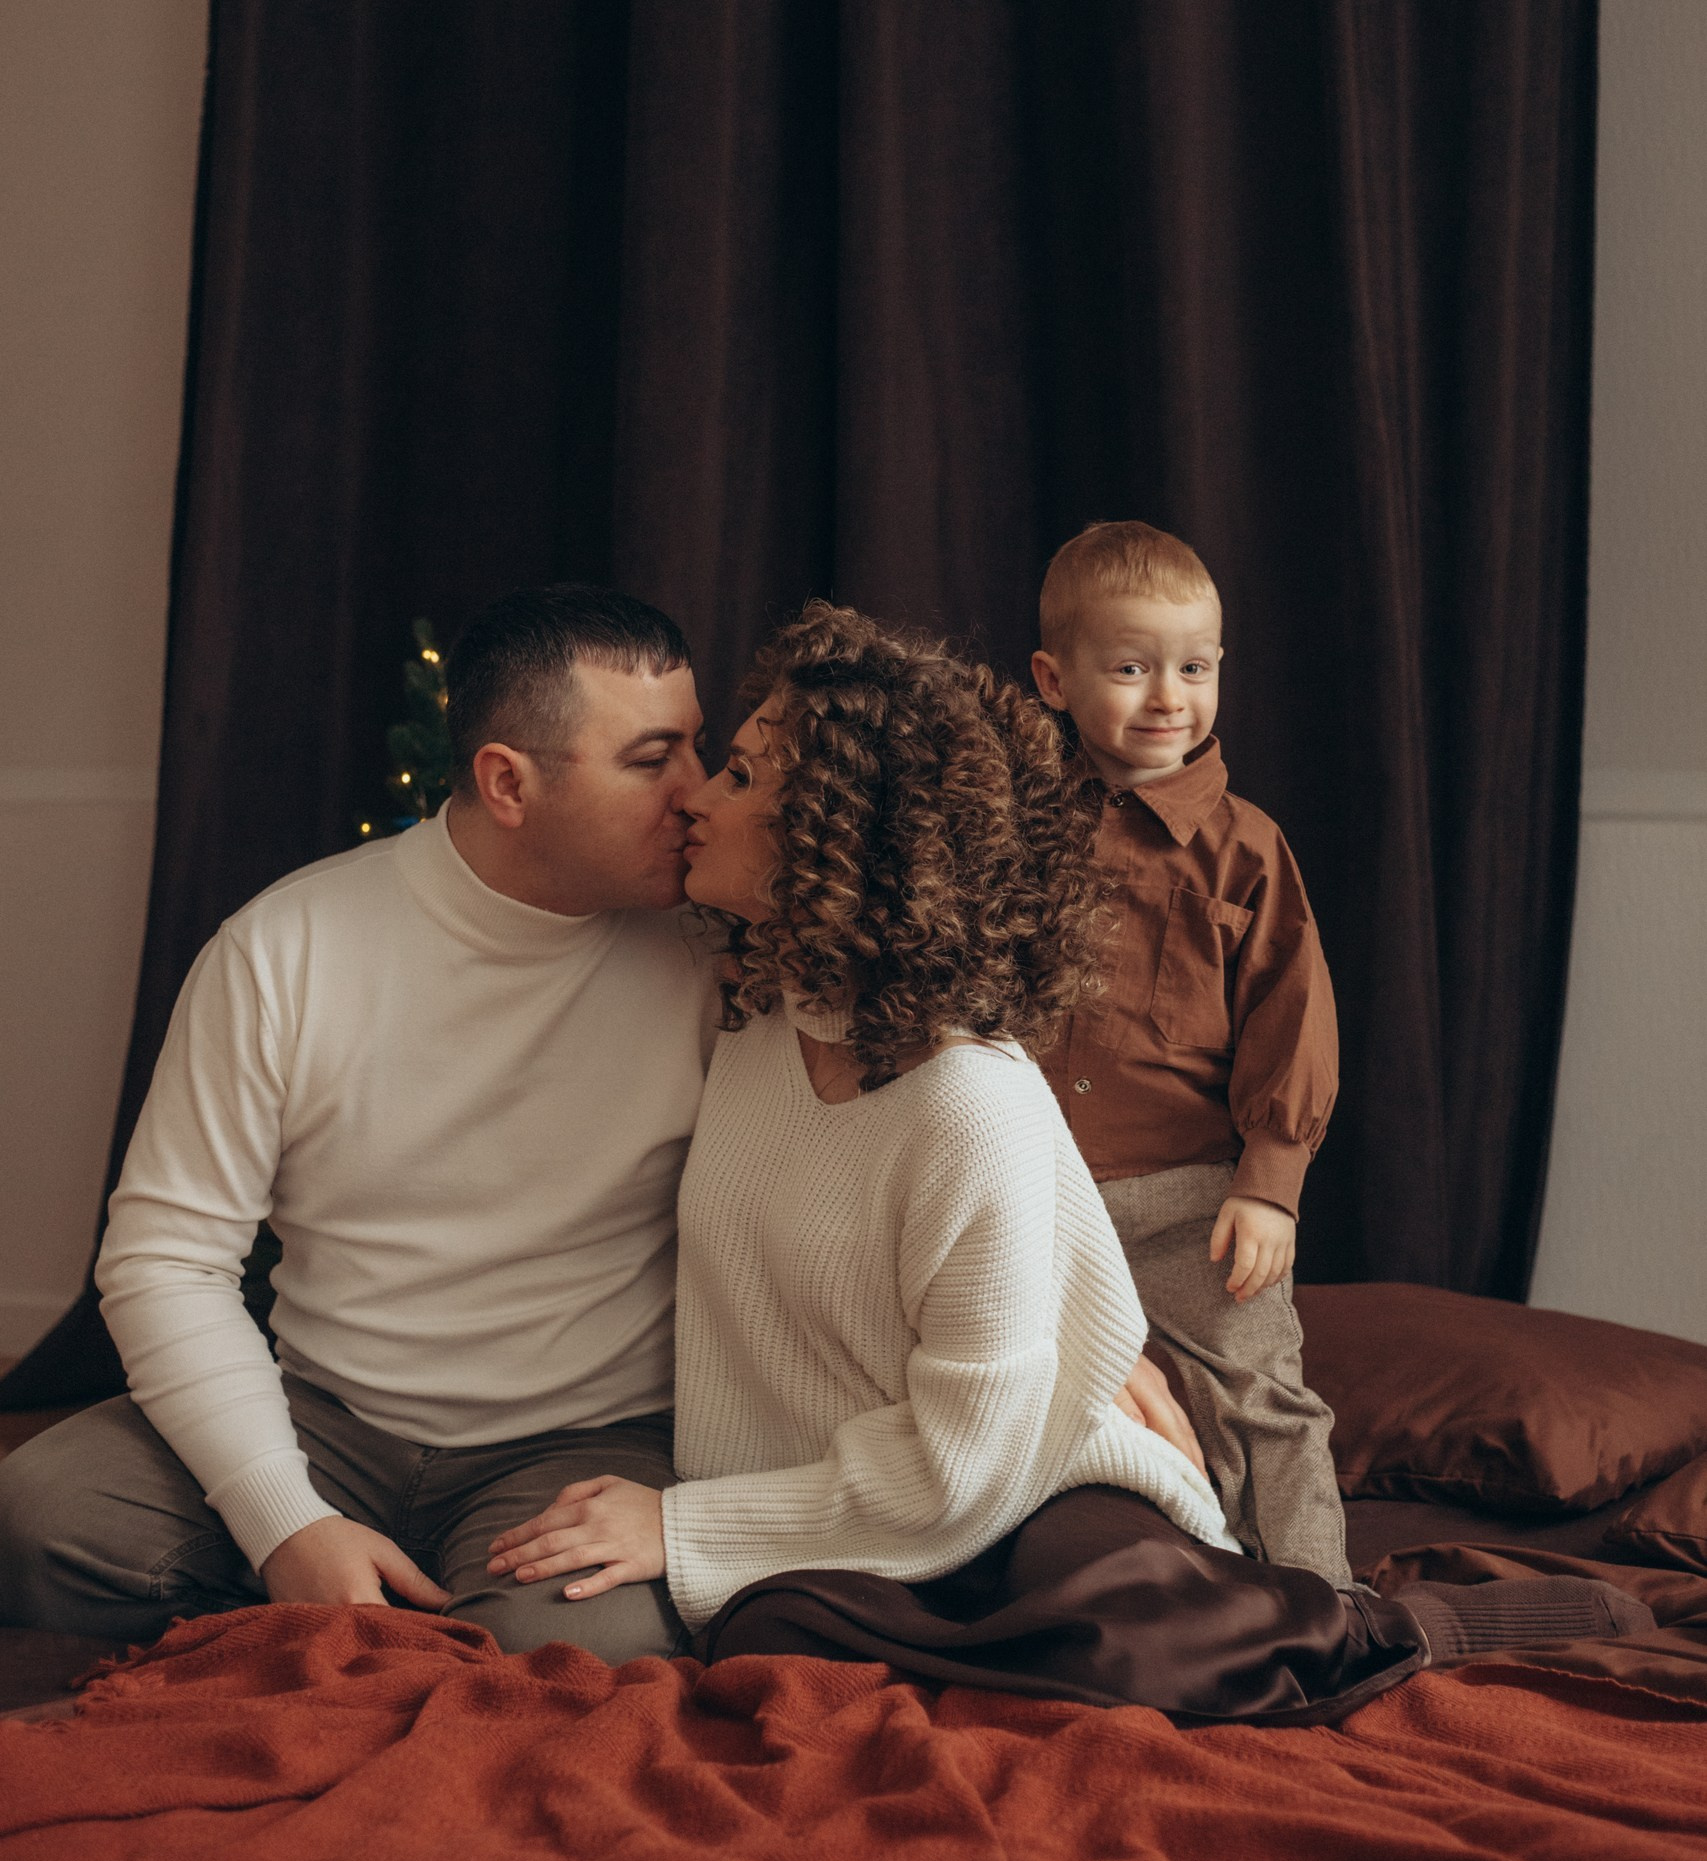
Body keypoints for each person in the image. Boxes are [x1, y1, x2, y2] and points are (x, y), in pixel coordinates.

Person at [483, 606, 1650, 1715]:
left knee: (1129, 1637)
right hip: (842, 1506)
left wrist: (682, 1529)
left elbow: (970, 1458)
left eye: (740, 776)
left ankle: (1399, 1626)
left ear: (838, 842)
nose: (695, 795)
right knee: (770, 1632)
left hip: (1026, 1480)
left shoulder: (966, 1099)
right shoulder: (751, 1018)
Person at [0, 586, 720, 1659]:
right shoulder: (283, 948)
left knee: (583, 1649)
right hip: (324, 1421)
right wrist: (285, 1520)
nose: (699, 794)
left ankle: (357, 1627)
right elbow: (165, 1260)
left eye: (698, 747)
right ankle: (347, 1593)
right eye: (653, 759)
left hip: (578, 1447)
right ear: (508, 783)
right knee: (40, 1515)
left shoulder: (714, 957)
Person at [1030, 519, 1353, 1586]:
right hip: (1025, 1195)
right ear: (1055, 679)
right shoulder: (1006, 830)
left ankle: (1321, 1599)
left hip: (1189, 1200)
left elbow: (1291, 1019)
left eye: (1195, 669)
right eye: (1131, 668)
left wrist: (1270, 1187)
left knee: (1258, 1400)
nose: (1169, 697)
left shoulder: (1247, 846)